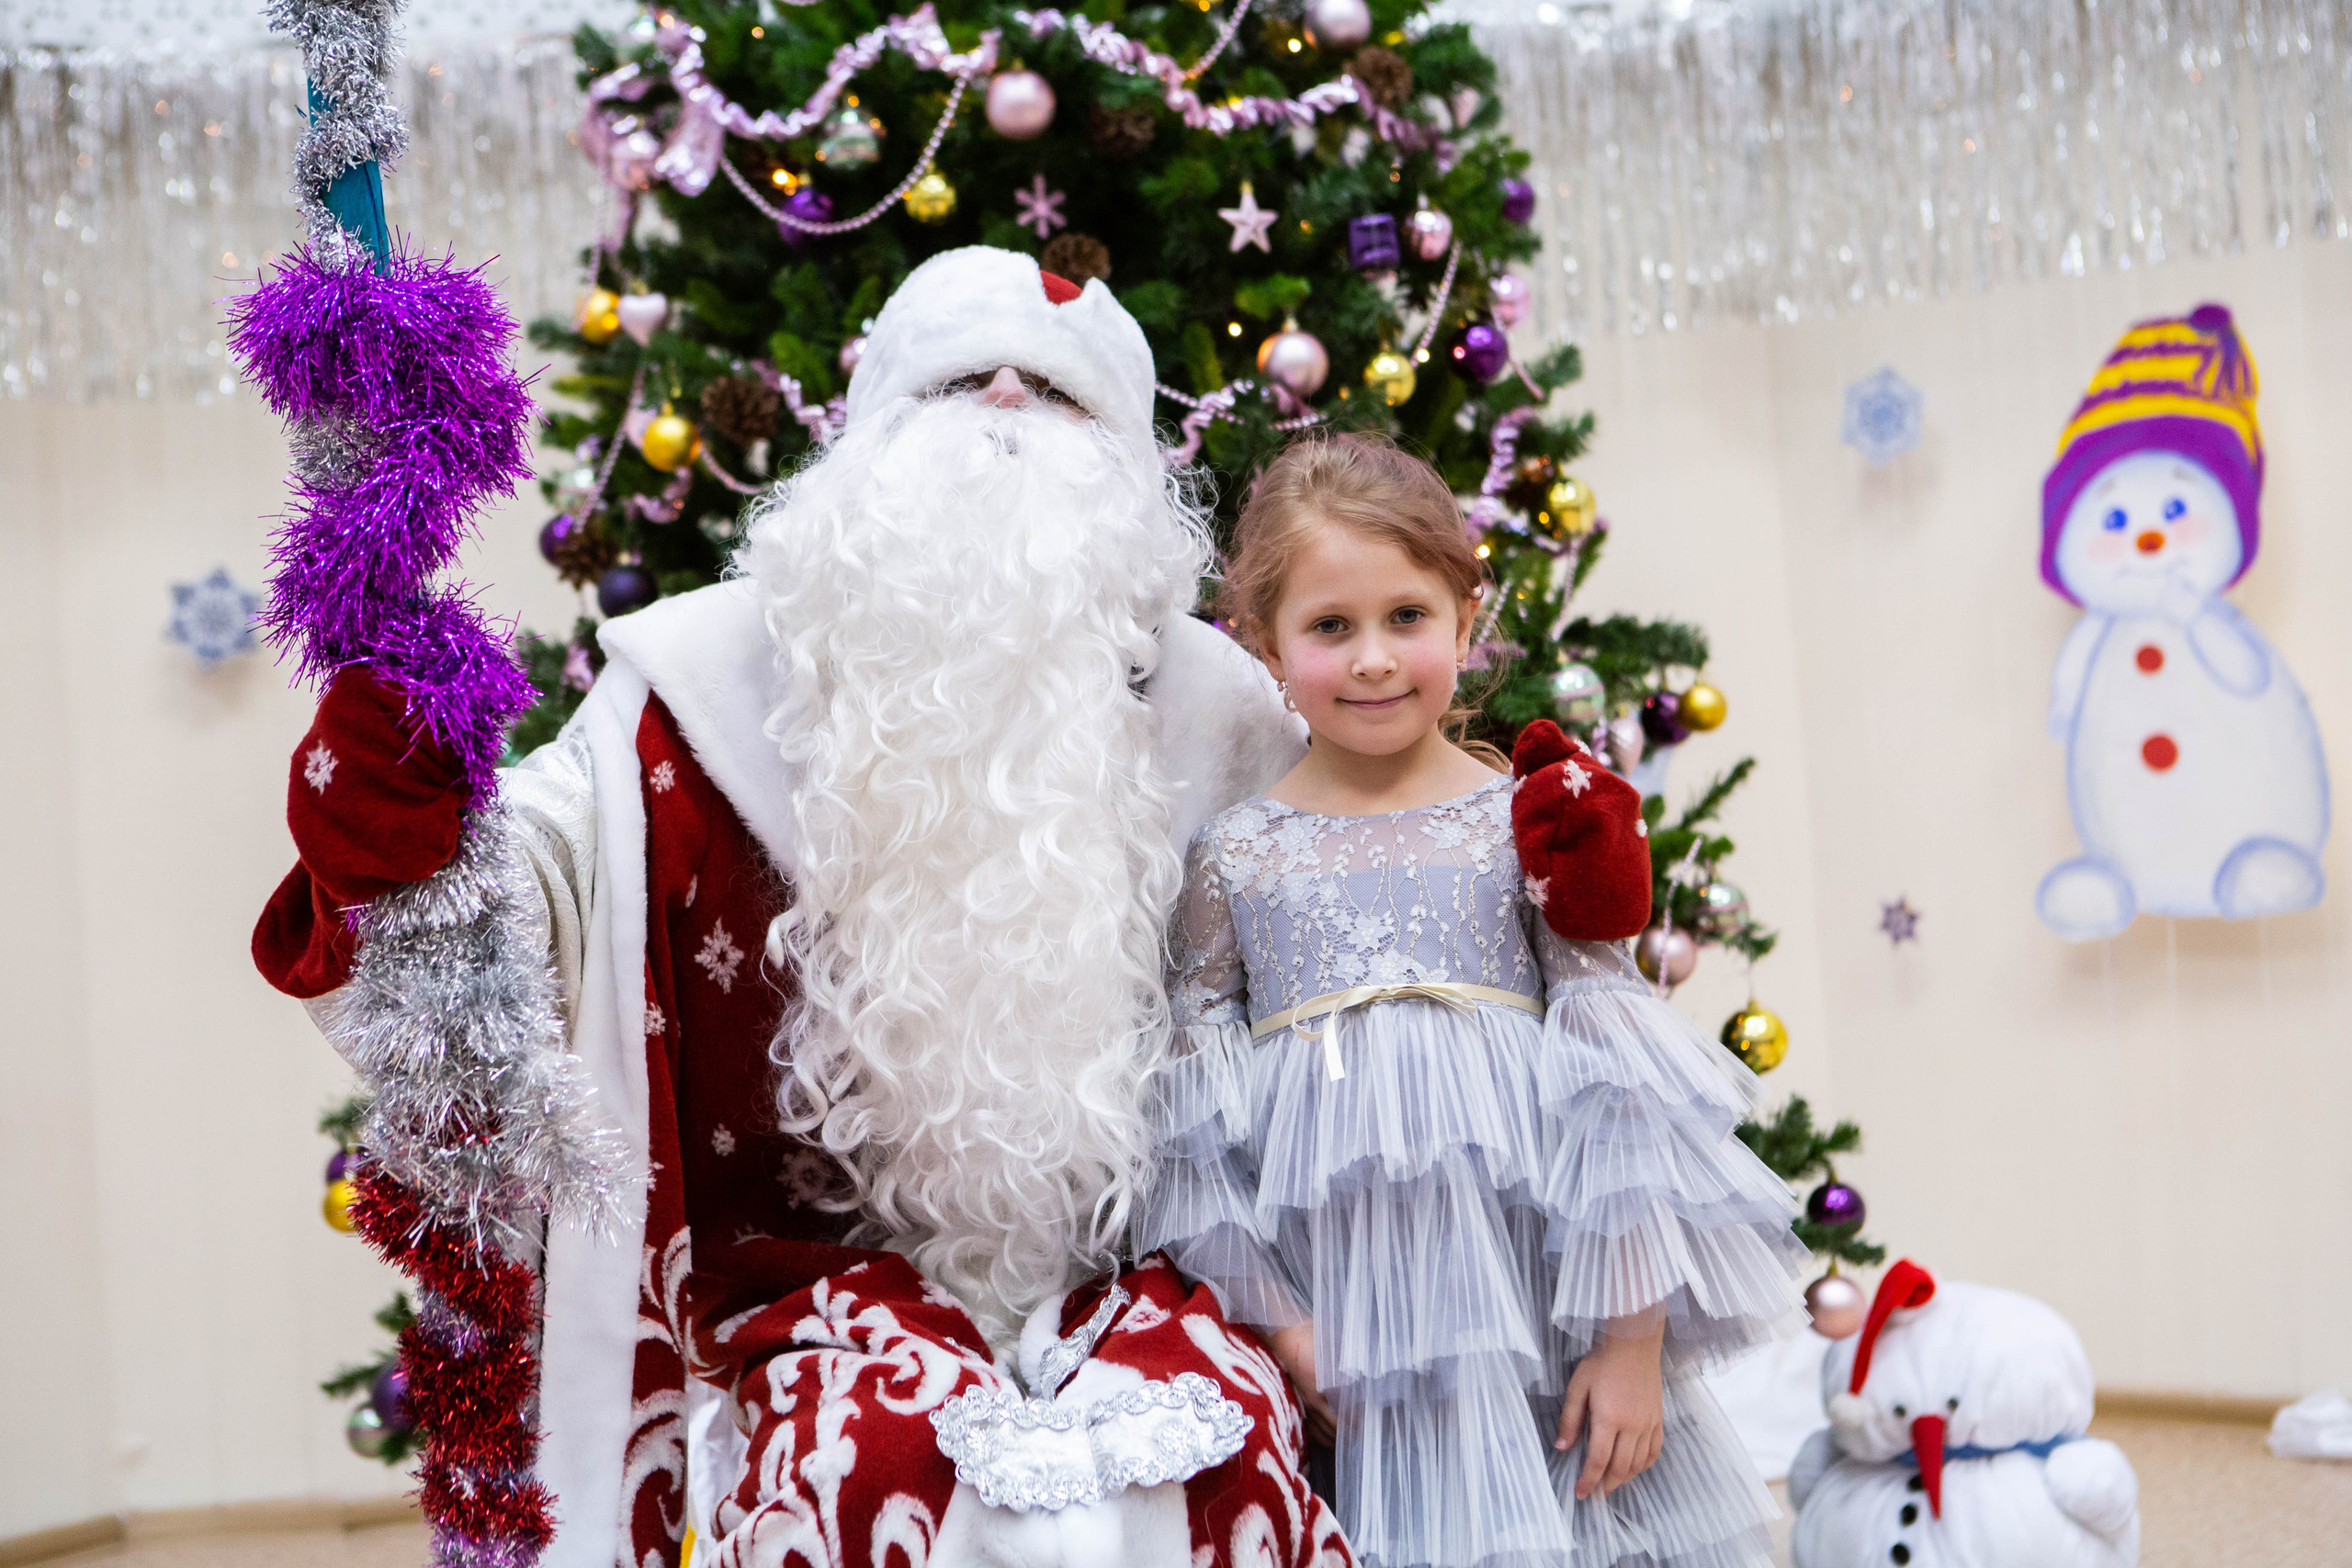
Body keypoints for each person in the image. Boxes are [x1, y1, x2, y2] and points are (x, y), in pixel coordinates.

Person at [254, 248, 1354, 1568]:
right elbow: (535, 906)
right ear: (869, 432)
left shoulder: (1219, 717)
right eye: (956, 379)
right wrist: (405, 827)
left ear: (1128, 470)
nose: (1003, 400)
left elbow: (1367, 932)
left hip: (1138, 1281)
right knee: (881, 1471)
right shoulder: (697, 688)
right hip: (806, 1294)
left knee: (1220, 1453)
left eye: (1057, 395)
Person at [1133, 433, 1811, 1568]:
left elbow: (1622, 1094)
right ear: (1261, 643)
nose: (1373, 661)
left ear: (1464, 609)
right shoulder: (1235, 857)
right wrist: (1288, 1333)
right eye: (1329, 628)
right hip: (1348, 1322)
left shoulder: (1526, 822)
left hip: (1537, 1294)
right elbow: (1194, 1131)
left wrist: (1631, 1341)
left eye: (1407, 617)